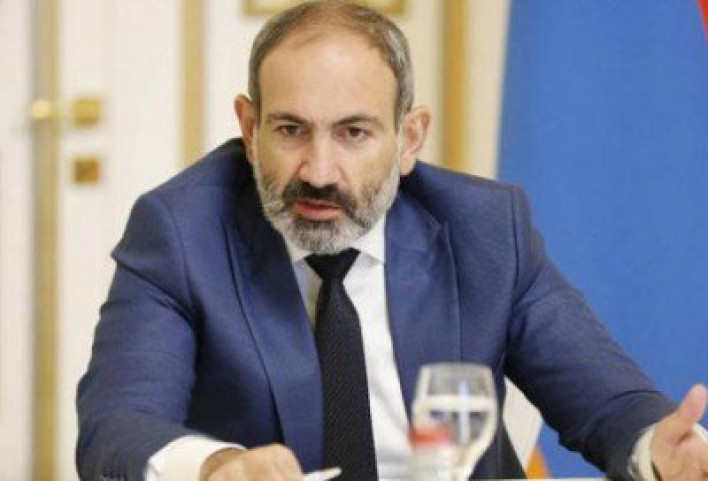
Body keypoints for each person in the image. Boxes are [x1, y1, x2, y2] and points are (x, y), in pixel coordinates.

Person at [76, 1, 708, 480]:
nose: (319, 171)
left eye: (353, 133)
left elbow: (604, 401)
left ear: (409, 139)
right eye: (291, 130)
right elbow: (116, 425)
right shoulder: (180, 233)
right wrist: (218, 468)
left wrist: (659, 449)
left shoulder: (484, 230)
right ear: (249, 127)